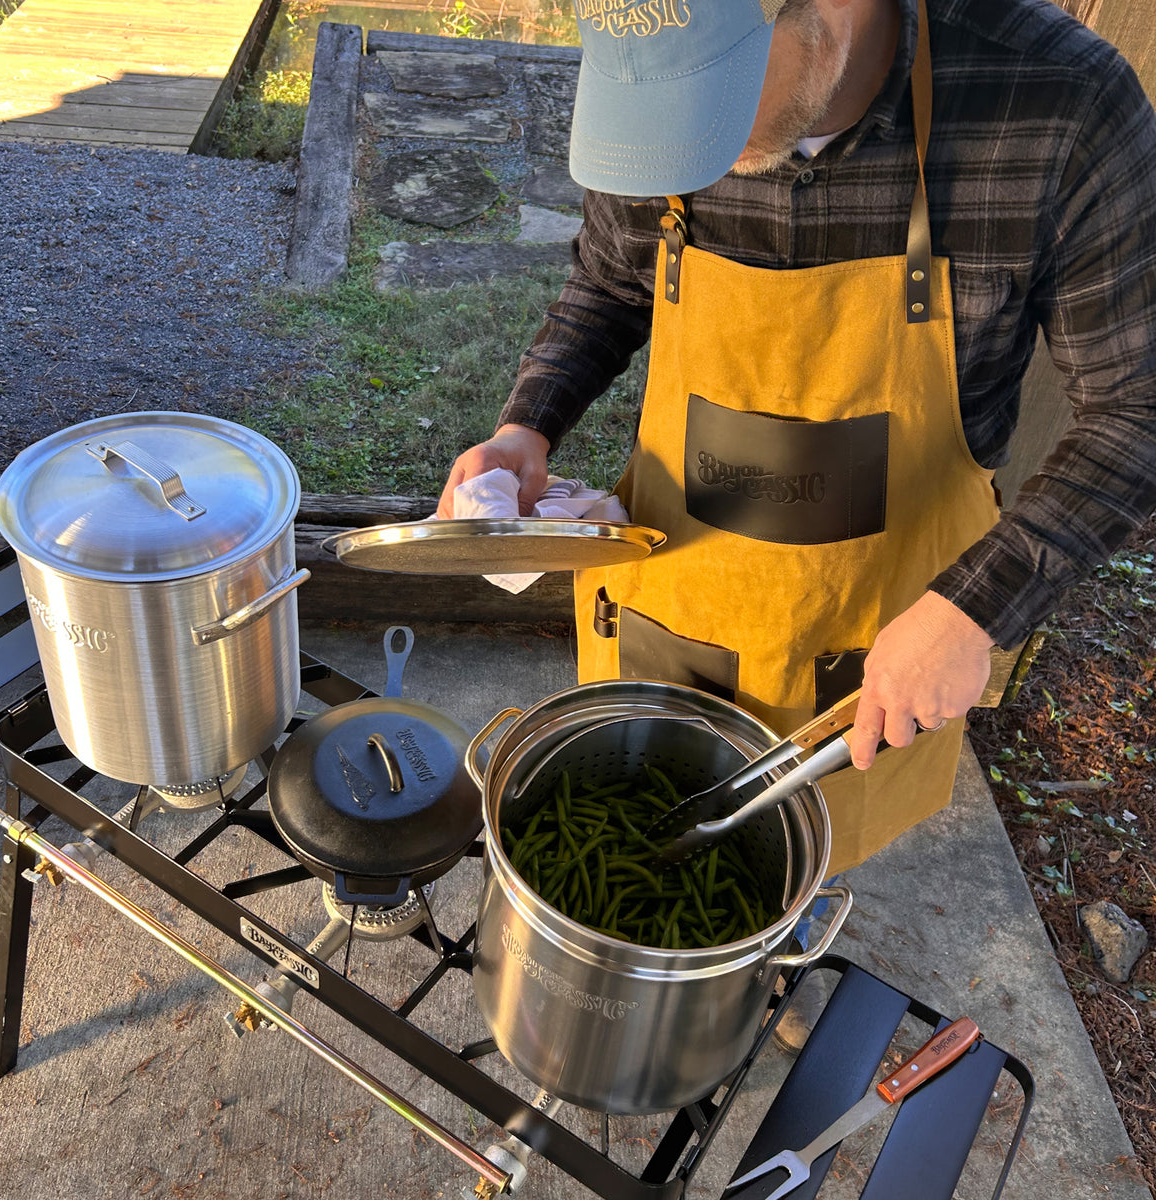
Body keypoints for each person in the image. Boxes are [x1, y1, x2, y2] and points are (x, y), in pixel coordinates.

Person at [438, 0, 1156, 875]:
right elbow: (610, 282)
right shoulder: (662, 109)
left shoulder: (1060, 105)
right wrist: (527, 423)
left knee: (805, 863)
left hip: (882, 627)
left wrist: (974, 609)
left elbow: (1136, 406)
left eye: (713, 86)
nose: (682, 141)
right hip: (678, 606)